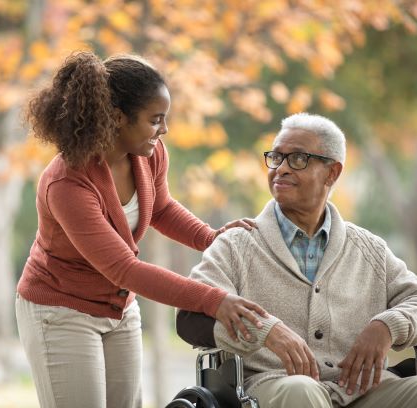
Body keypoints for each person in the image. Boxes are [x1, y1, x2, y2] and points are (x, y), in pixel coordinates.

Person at [14, 50, 268, 408]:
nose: (163, 130)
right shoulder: (67, 183)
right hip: (61, 311)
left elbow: (161, 208)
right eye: (155, 119)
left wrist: (212, 239)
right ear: (118, 118)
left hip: (118, 308)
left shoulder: (149, 153)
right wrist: (214, 301)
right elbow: (124, 268)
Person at [177, 112, 417, 407]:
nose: (281, 169)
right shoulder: (236, 245)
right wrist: (266, 332)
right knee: (301, 391)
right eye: (276, 157)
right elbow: (191, 317)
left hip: (361, 389)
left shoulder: (369, 249)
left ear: (332, 173)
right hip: (273, 387)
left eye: (298, 159)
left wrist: (387, 327)